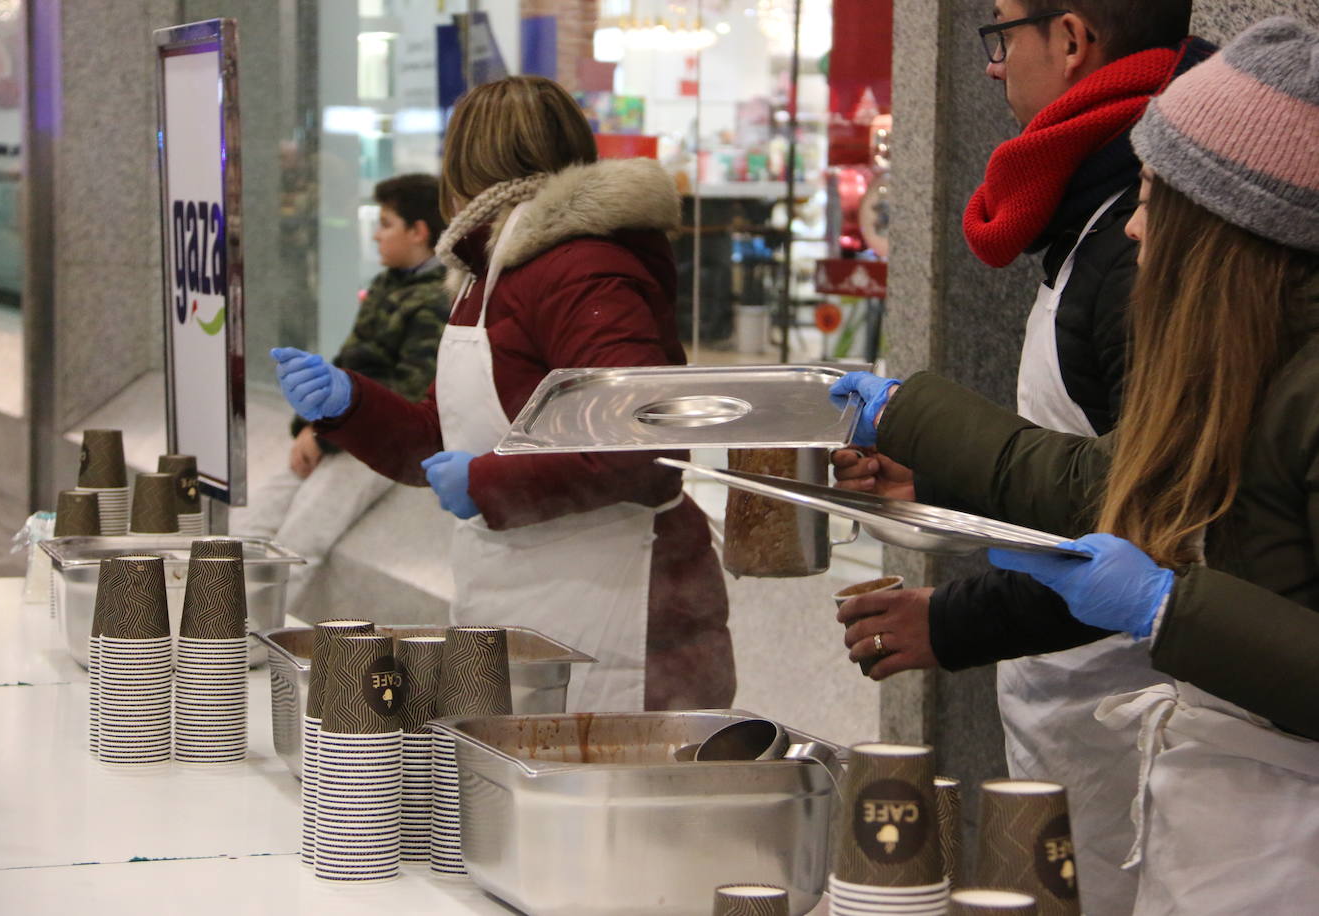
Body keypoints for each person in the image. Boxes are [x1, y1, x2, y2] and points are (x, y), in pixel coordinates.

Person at [832, 18, 1319, 912]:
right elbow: (1117, 482)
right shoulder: (1254, 367)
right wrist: (916, 427)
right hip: (1217, 818)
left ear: (1228, 232)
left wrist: (1170, 607)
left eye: (1155, 199)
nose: (1136, 230)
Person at [268, 75, 735, 713]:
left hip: (624, 608)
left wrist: (490, 483)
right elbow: (441, 437)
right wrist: (350, 404)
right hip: (525, 590)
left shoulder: (581, 270)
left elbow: (641, 444)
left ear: (464, 167)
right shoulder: (493, 274)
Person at [240, 174, 450, 613]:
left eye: (387, 223)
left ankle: (249, 645)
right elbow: (349, 364)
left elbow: (412, 392)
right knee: (252, 526)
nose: (376, 234)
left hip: (379, 442)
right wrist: (313, 426)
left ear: (419, 232)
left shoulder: (436, 300)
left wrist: (326, 433)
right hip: (340, 429)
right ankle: (215, 628)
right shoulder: (387, 285)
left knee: (299, 542)